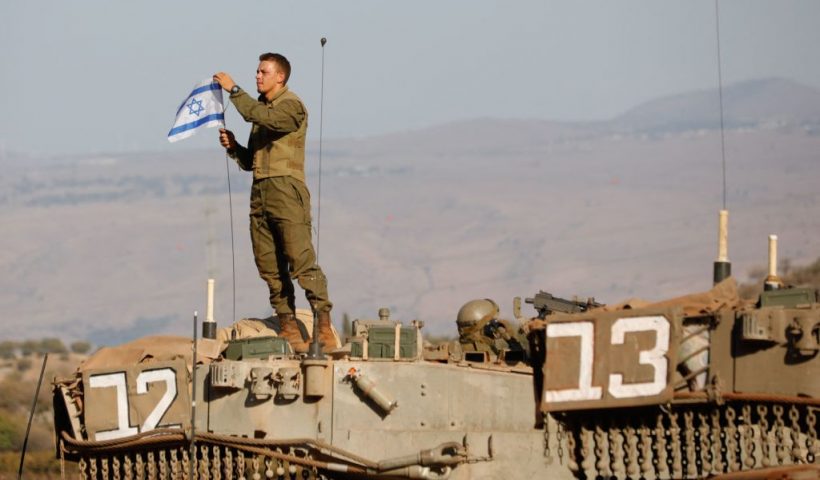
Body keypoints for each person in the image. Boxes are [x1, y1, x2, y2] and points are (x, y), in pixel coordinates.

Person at [213, 53, 335, 353]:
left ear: (280, 77)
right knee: (270, 266)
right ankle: (289, 328)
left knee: (301, 260)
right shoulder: (260, 112)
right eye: (256, 71)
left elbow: (265, 118)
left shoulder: (290, 106)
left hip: (286, 191)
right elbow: (251, 161)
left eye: (263, 71)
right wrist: (234, 148)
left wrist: (234, 90)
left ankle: (323, 327)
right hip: (261, 192)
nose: (258, 76)